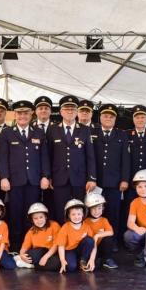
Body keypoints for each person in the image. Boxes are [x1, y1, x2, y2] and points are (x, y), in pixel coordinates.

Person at [0, 100, 50, 249]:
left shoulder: (39, 132)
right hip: (14, 182)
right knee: (15, 214)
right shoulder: (7, 132)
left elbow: (44, 157)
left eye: (26, 113)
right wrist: (4, 177)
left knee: (32, 213)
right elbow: (2, 158)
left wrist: (45, 176)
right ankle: (15, 246)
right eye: (19, 113)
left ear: (31, 114)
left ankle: (30, 245)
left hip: (34, 181)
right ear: (15, 115)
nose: (22, 116)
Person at [47, 95, 97, 223]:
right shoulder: (52, 129)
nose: (70, 111)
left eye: (73, 109)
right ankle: (63, 234)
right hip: (59, 178)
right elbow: (48, 155)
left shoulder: (85, 130)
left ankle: (79, 234)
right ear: (61, 111)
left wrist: (91, 178)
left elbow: (90, 156)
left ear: (76, 111)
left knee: (79, 211)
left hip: (79, 178)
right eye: (66, 109)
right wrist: (48, 176)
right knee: (61, 210)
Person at [91, 104, 130, 252]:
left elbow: (125, 159)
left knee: (113, 213)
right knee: (94, 212)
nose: (108, 118)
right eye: (105, 116)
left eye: (111, 116)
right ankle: (94, 240)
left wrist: (125, 179)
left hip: (115, 182)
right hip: (96, 182)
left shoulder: (121, 135)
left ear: (115, 119)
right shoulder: (92, 132)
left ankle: (112, 241)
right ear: (100, 117)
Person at [121, 104, 146, 242]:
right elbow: (123, 159)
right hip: (131, 181)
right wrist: (124, 179)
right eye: (137, 117)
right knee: (129, 208)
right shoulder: (126, 134)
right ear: (133, 119)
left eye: (142, 117)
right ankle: (130, 238)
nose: (140, 120)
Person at [55, 199, 96, 273]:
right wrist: (62, 260)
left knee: (89, 240)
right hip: (69, 250)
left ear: (83, 215)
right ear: (69, 215)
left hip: (80, 250)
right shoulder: (65, 227)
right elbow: (61, 246)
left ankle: (83, 260)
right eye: (73, 214)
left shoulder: (87, 226)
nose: (76, 217)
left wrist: (92, 259)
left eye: (79, 214)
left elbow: (93, 244)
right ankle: (77, 261)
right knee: (71, 267)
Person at [17, 202, 61, 271]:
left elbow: (56, 245)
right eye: (35, 218)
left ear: (46, 217)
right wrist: (22, 254)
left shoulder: (54, 225)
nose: (39, 220)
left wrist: (45, 257)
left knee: (57, 263)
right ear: (32, 220)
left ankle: (33, 266)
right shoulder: (31, 231)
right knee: (32, 255)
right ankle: (24, 260)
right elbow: (24, 247)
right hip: (39, 252)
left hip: (52, 253)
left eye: (41, 217)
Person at [84, 193, 118, 269]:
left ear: (103, 208)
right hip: (91, 249)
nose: (97, 211)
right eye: (94, 209)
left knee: (108, 238)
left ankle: (107, 259)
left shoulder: (104, 220)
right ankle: (89, 259)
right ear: (88, 210)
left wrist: (97, 235)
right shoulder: (86, 221)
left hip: (101, 247)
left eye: (99, 208)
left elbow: (111, 232)